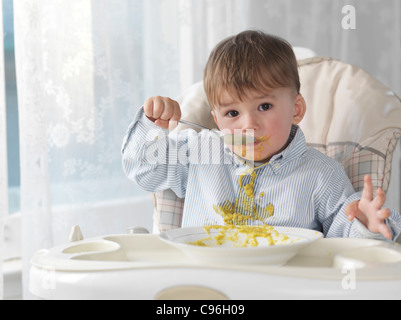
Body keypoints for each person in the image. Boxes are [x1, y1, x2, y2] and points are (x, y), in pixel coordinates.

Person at [122, 30, 401, 241]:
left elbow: (345, 235)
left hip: (283, 286)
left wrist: (365, 223)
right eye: (232, 113)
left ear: (296, 110)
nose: (249, 125)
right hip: (206, 279)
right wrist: (152, 127)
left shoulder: (321, 174)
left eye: (264, 106)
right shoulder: (199, 153)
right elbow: (145, 170)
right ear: (216, 119)